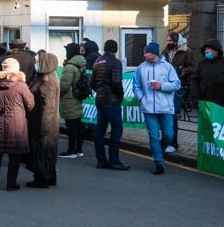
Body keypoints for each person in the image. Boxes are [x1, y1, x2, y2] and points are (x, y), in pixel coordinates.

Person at [0, 57, 34, 190]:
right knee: (14, 155)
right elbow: (30, 104)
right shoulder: (21, 85)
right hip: (16, 123)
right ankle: (10, 184)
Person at [135, 42, 181, 175]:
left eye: (146, 52)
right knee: (154, 137)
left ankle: (158, 152)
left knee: (168, 135)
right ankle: (159, 163)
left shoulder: (168, 67)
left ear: (154, 53)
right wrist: (142, 99)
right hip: (148, 108)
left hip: (165, 107)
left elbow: (177, 84)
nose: (144, 54)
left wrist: (161, 86)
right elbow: (136, 85)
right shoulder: (141, 68)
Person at [91, 40, 128, 171]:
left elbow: (93, 84)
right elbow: (117, 82)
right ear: (116, 49)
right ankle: (114, 160)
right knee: (116, 129)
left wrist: (100, 91)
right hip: (112, 101)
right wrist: (120, 95)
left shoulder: (97, 62)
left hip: (100, 100)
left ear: (104, 48)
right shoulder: (115, 62)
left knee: (100, 131)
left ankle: (101, 160)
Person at [27, 50, 61, 188]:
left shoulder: (47, 81)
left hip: (44, 121)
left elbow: (47, 106)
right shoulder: (47, 77)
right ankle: (49, 176)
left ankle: (42, 179)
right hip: (45, 120)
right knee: (47, 151)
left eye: (37, 62)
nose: (35, 64)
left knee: (43, 150)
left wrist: (44, 126)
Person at [163, 32, 196, 151]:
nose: (168, 43)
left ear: (177, 42)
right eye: (167, 41)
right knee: (166, 114)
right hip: (166, 86)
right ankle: (167, 141)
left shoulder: (187, 52)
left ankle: (173, 143)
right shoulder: (166, 51)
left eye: (170, 41)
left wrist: (182, 71)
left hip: (178, 86)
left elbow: (192, 67)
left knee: (172, 114)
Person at [58, 43, 88, 159]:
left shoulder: (69, 67)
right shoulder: (82, 64)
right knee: (79, 125)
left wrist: (58, 94)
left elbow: (64, 85)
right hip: (78, 97)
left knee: (71, 126)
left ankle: (71, 150)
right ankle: (79, 149)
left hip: (69, 98)